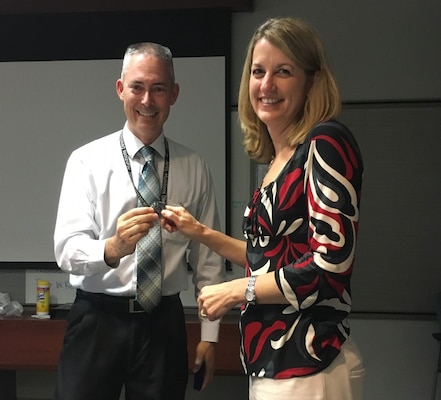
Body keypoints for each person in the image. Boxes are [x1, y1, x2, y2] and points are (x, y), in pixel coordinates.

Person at [161, 17, 365, 400]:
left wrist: (237, 291)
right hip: (272, 362)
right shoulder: (276, 159)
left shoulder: (325, 142)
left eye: (283, 71)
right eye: (258, 72)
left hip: (308, 361)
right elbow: (270, 258)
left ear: (312, 80)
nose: (266, 85)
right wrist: (199, 232)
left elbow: (329, 267)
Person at [53, 42, 226, 400]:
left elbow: (209, 261)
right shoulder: (86, 161)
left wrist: (210, 336)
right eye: (137, 87)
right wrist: (112, 248)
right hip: (97, 318)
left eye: (158, 89)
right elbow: (67, 250)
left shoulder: (194, 167)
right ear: (121, 90)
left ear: (173, 94)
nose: (147, 100)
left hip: (163, 321)